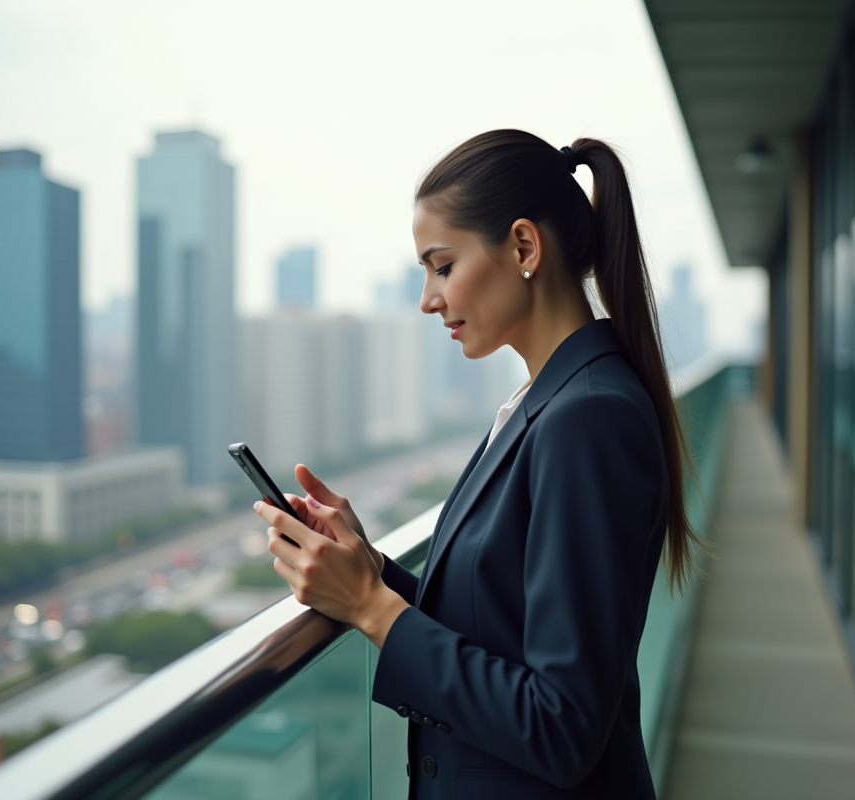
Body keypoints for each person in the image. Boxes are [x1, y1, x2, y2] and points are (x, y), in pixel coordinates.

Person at [253, 129, 700, 800]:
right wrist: (369, 571)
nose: (429, 299)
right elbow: (499, 624)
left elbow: (562, 724)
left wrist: (371, 608)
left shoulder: (586, 417)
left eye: (441, 266)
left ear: (523, 247)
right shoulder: (547, 400)